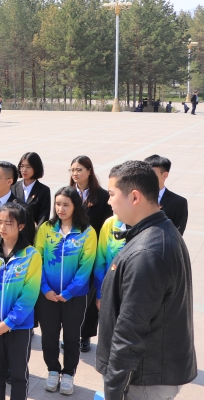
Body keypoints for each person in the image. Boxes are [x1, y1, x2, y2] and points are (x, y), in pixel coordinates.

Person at [98, 161, 196, 400]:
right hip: (149, 372)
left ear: (134, 197)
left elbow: (130, 329)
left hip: (143, 379)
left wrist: (114, 390)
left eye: (112, 194)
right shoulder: (159, 230)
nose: (108, 201)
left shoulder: (147, 252)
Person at [0, 202, 41, 400]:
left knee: (18, 375)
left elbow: (29, 295)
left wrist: (9, 322)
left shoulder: (31, 255)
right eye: (0, 222)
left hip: (18, 327)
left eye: (9, 223)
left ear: (21, 226)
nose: (2, 227)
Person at [35, 187, 96, 395]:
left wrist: (69, 292)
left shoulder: (87, 232)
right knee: (49, 336)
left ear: (75, 206)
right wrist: (45, 289)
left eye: (66, 205)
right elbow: (37, 259)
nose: (60, 209)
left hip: (74, 297)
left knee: (71, 337)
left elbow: (86, 267)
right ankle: (53, 370)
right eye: (58, 204)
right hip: (47, 296)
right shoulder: (46, 228)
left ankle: (69, 373)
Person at [69, 155, 112, 353]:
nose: (75, 173)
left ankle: (85, 335)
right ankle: (70, 333)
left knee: (89, 295)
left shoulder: (102, 196)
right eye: (72, 170)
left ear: (89, 171)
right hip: (70, 253)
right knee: (72, 294)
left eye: (79, 169)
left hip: (93, 253)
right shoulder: (68, 193)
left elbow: (105, 226)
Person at [144, 155, 188, 235]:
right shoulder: (137, 197)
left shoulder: (178, 202)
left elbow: (177, 233)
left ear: (165, 175)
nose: (147, 176)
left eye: (152, 173)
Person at [13, 152, 52, 226]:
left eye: (28, 167)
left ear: (36, 168)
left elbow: (43, 216)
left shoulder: (44, 190)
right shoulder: (13, 186)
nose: (24, 170)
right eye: (22, 166)